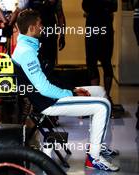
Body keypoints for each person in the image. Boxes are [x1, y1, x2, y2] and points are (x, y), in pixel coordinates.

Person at [12, 9, 120, 171]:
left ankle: (98, 147)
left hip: (51, 95)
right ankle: (94, 158)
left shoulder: (28, 45)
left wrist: (72, 88)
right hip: (48, 102)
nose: (43, 27)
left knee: (100, 91)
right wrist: (71, 93)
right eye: (40, 24)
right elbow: (44, 88)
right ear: (32, 28)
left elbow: (48, 78)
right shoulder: (26, 52)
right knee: (103, 105)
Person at [82, 0, 118, 107]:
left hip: (93, 28)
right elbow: (113, 8)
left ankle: (96, 97)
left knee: (92, 62)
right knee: (106, 62)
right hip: (105, 28)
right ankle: (106, 96)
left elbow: (86, 6)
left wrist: (91, 12)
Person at [29, 0, 66, 76]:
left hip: (50, 31)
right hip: (35, 32)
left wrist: (62, 35)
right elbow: (23, 13)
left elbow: (60, 16)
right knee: (35, 60)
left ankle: (47, 82)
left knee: (50, 62)